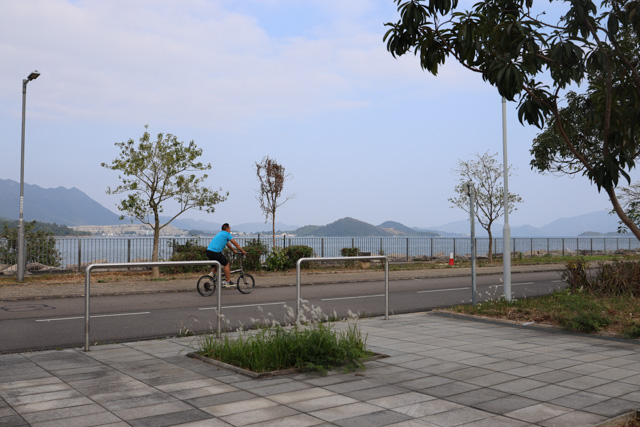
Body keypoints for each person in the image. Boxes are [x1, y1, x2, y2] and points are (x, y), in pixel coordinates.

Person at [206, 223, 246, 287]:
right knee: (226, 264)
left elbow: (228, 244)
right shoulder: (227, 234)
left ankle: (212, 274)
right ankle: (228, 281)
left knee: (217, 263)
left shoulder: (220, 233)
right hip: (215, 252)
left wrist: (233, 250)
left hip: (209, 251)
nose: (230, 230)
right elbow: (235, 243)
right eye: (230, 229)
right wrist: (242, 251)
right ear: (227, 229)